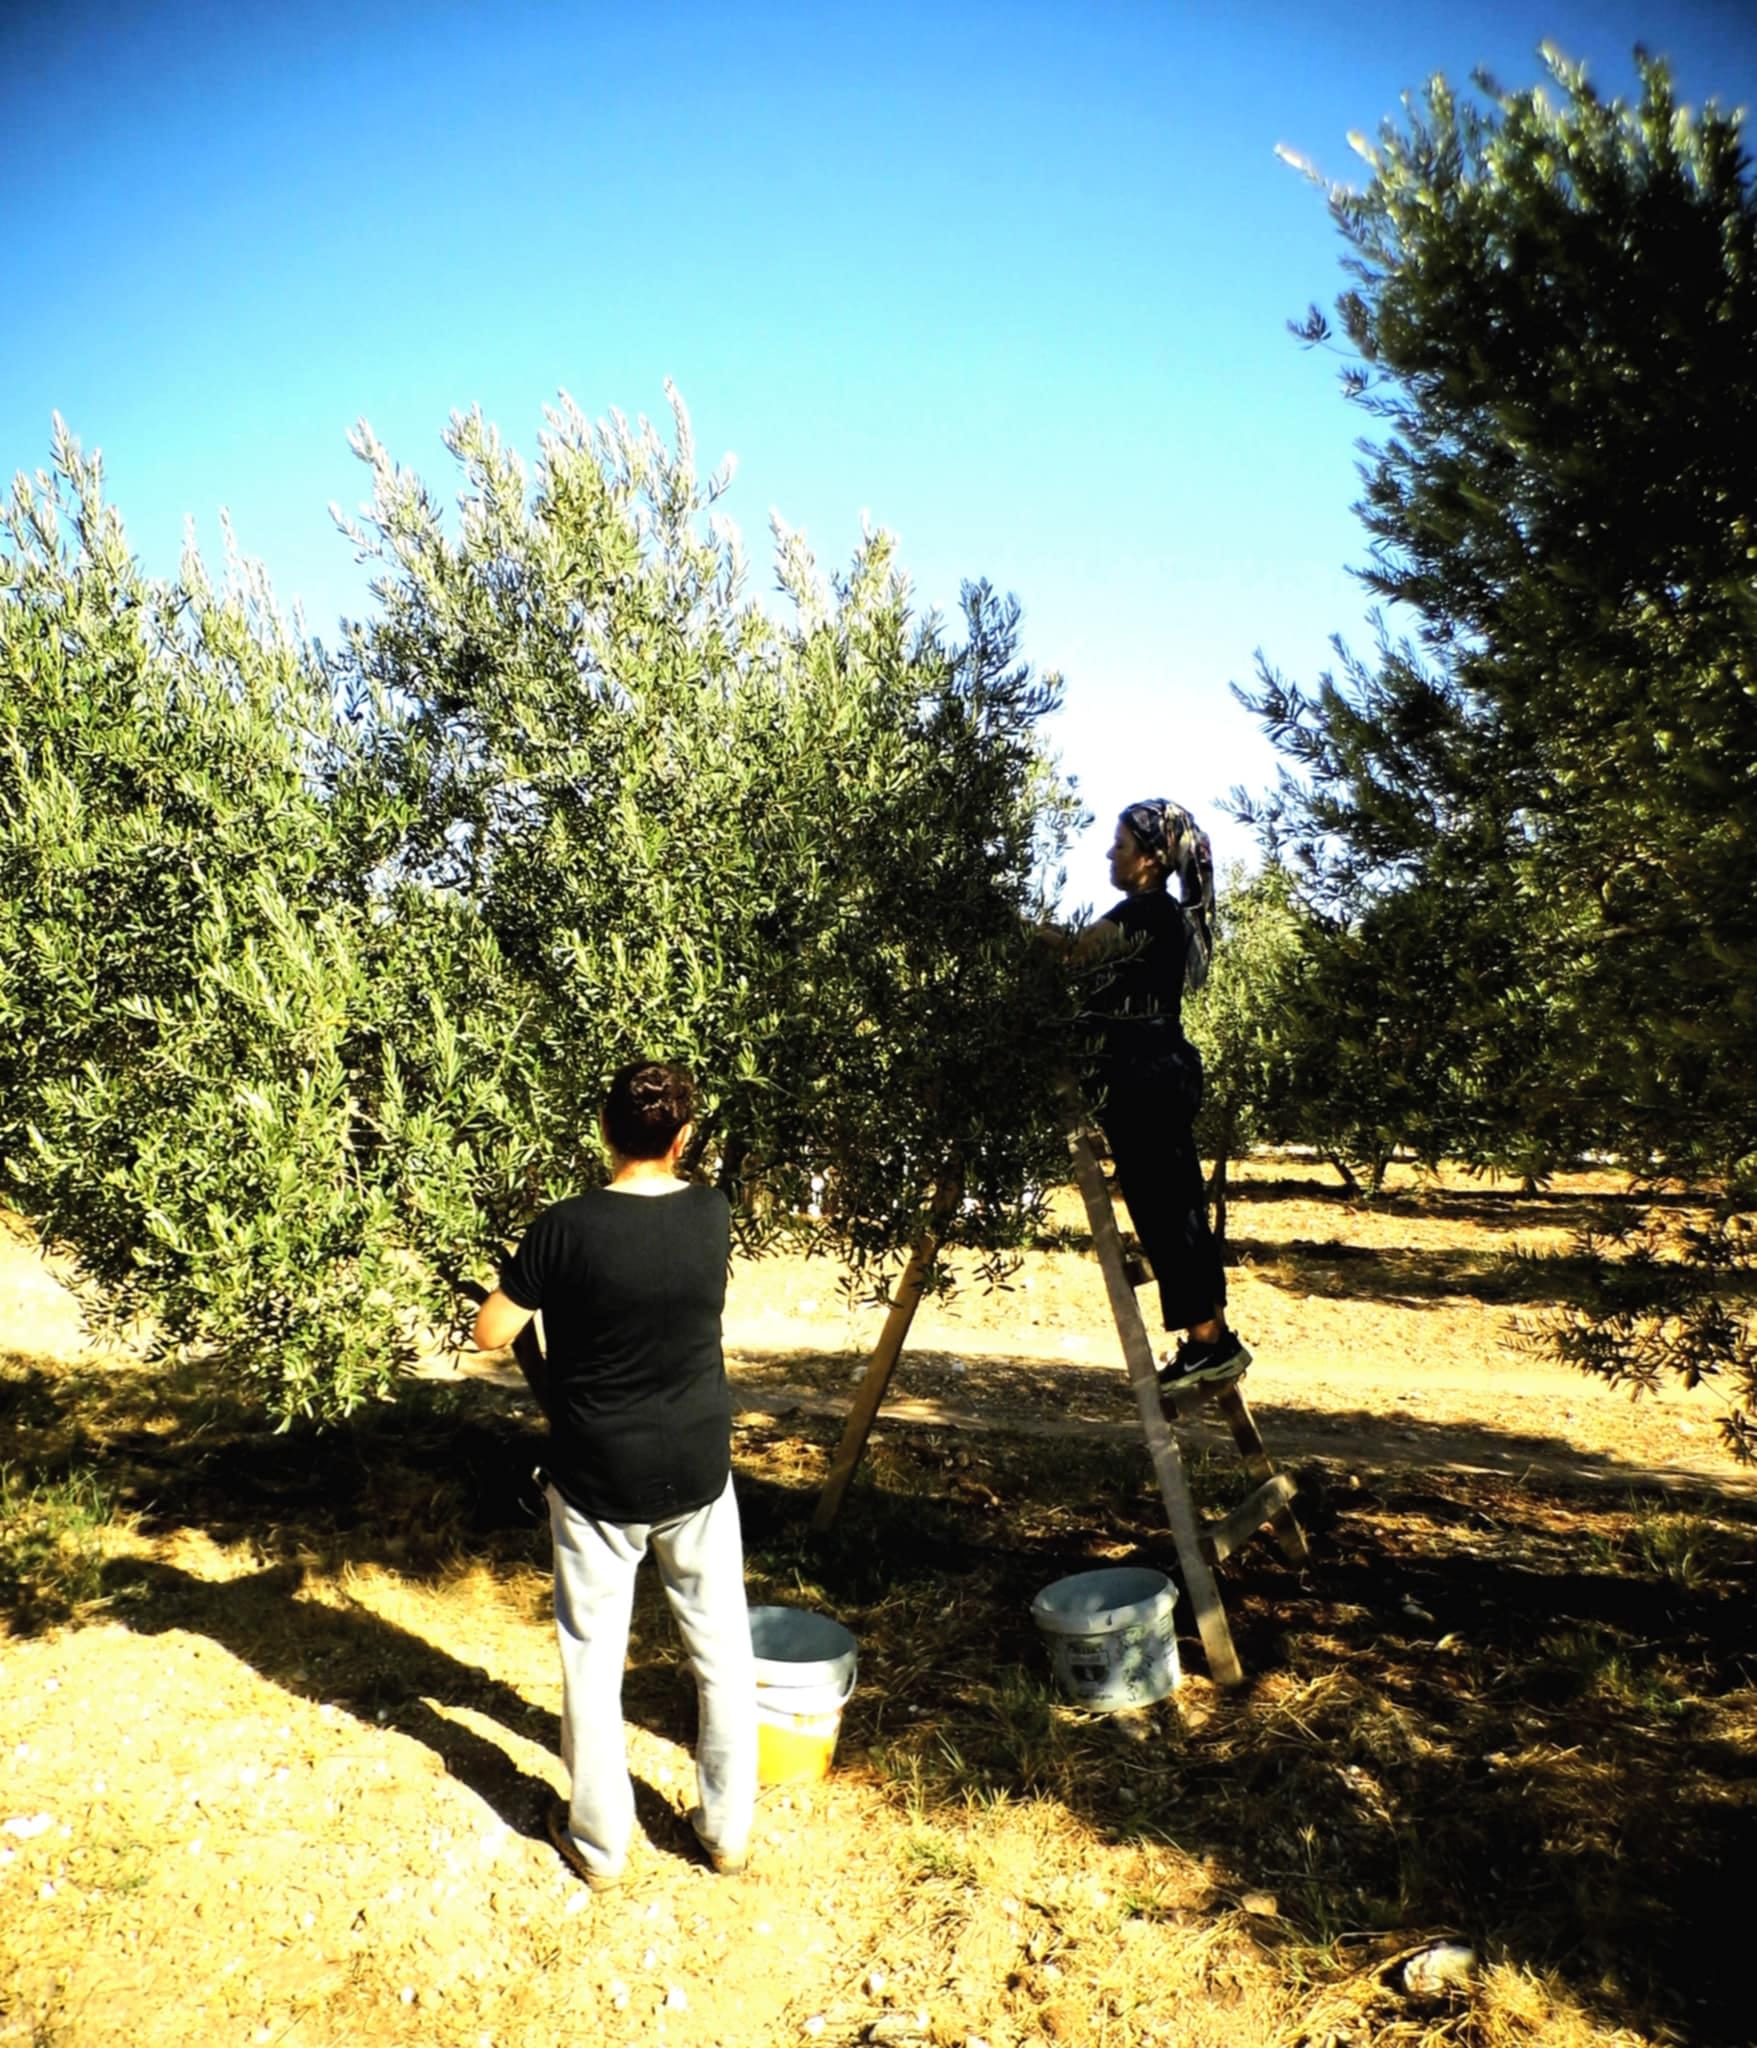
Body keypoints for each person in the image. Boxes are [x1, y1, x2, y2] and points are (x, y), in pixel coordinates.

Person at [472, 1060, 756, 1889]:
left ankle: (598, 1845)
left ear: (602, 1131)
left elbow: (493, 1331)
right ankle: (725, 1831)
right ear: (682, 1137)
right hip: (699, 1464)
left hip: (597, 1474)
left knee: (594, 1657)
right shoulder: (713, 1213)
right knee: (720, 1647)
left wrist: (521, 1274)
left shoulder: (565, 1226)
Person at [1084, 799, 1249, 1394]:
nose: (1110, 852)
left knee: (1166, 1212)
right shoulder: (1161, 915)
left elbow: (1077, 954)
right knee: (1175, 1209)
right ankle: (1212, 1340)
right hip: (1160, 1074)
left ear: (1151, 860)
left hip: (1146, 1078)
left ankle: (1209, 1342)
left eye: (1120, 844)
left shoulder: (1147, 914)